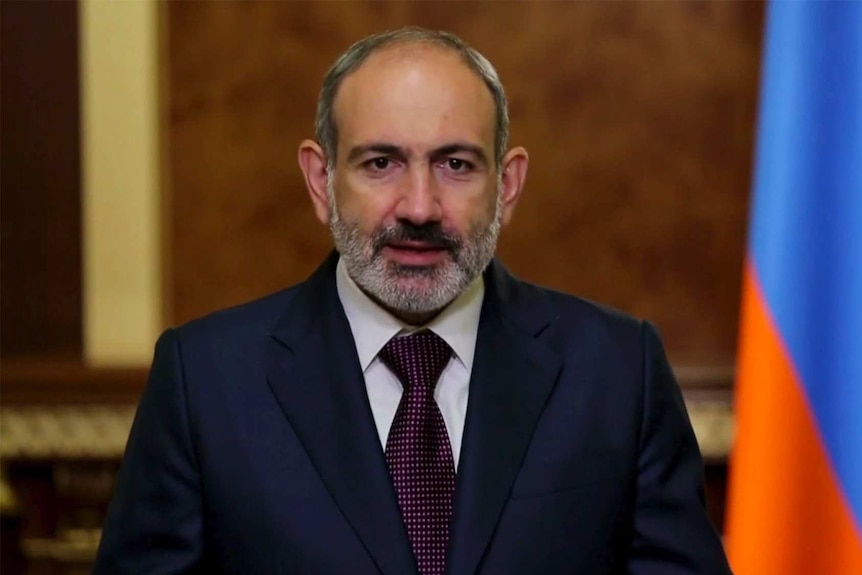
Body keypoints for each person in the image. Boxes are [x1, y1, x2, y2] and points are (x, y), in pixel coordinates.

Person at [94, 27, 732, 574]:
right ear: (322, 182)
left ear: (507, 186)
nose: (421, 207)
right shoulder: (204, 381)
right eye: (380, 163)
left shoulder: (620, 373)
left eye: (456, 164)